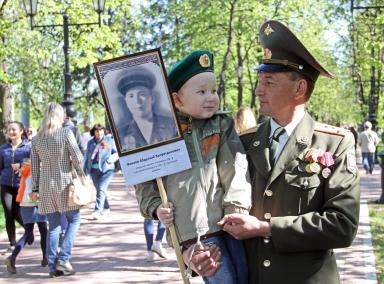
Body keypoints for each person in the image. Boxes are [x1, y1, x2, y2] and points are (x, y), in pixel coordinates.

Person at [214, 21, 360, 283]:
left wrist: (266, 229)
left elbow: (343, 225)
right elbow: (218, 209)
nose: (258, 90)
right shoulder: (242, 142)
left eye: (268, 82)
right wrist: (202, 251)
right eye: (259, 81)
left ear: (299, 88)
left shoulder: (335, 143)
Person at [135, 50, 252, 284]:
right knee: (223, 279)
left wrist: (236, 208)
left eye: (213, 91)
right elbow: (145, 183)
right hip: (193, 230)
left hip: (227, 221)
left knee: (244, 276)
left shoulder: (221, 124)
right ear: (177, 99)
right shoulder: (159, 134)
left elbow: (235, 167)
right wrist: (157, 208)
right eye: (201, 92)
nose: (210, 97)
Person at [30, 102, 84, 278]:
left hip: (45, 186)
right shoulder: (65, 132)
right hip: (65, 184)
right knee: (74, 221)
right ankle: (64, 258)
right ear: (60, 116)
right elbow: (78, 158)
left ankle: (53, 267)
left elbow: (34, 167)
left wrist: (36, 187)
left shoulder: (37, 138)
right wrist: (80, 173)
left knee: (53, 226)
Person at [117, 67, 178, 151]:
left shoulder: (172, 124)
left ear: (152, 97)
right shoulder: (120, 133)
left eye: (142, 94)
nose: (137, 101)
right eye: (131, 96)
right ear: (126, 101)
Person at [5, 158, 48, 274]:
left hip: (25, 202)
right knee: (43, 229)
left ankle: (12, 257)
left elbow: (23, 168)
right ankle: (45, 257)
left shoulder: (27, 167)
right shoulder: (44, 169)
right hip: (38, 201)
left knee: (28, 232)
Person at [0, 121, 30, 254]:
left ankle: (29, 232)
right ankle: (12, 243)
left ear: (21, 131)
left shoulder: (28, 147)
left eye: (14, 129)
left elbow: (33, 162)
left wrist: (21, 164)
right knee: (8, 213)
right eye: (9, 130)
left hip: (21, 185)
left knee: (18, 213)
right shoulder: (3, 149)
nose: (11, 132)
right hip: (6, 184)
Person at [84, 123, 118, 220]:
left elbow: (116, 153)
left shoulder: (109, 140)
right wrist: (85, 171)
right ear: (94, 132)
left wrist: (109, 160)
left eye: (101, 130)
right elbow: (87, 157)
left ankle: (97, 211)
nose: (99, 133)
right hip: (93, 171)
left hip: (107, 170)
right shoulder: (90, 143)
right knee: (100, 189)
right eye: (97, 131)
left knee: (101, 189)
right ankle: (106, 207)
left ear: (104, 131)